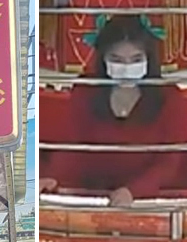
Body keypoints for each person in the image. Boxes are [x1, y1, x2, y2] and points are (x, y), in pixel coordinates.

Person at [40, 14, 179, 206]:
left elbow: (169, 162)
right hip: (91, 193)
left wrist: (133, 191)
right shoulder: (85, 89)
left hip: (145, 198)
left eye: (136, 59)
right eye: (117, 60)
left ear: (149, 59)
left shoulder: (168, 96)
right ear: (103, 59)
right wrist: (53, 177)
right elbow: (73, 145)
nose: (126, 68)